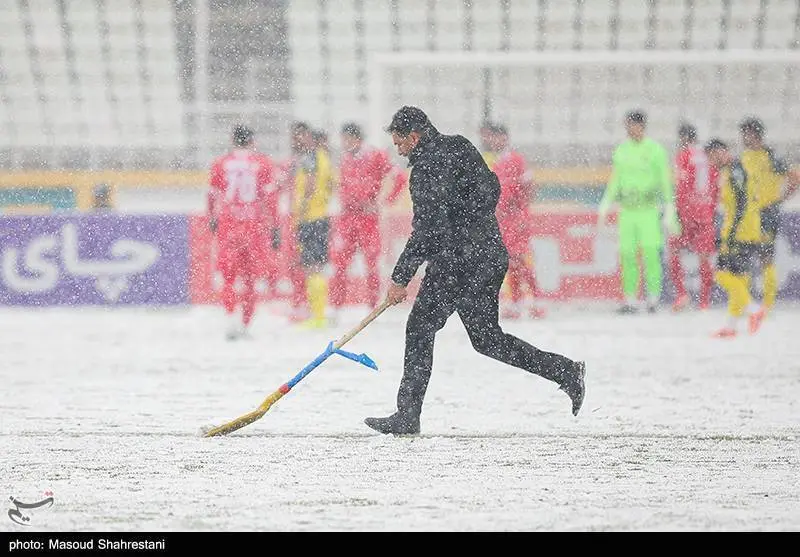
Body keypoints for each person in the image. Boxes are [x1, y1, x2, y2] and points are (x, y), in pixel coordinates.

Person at [364, 106, 586, 436]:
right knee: (487, 339)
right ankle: (565, 371)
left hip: (457, 263)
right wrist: (469, 218)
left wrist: (400, 278)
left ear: (415, 137)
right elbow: (492, 189)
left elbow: (426, 231)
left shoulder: (425, 171)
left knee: (420, 328)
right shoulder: (461, 145)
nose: (398, 149)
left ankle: (408, 415)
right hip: (489, 256)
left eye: (399, 142)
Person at [598, 110, 680, 314]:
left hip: (648, 210)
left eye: (632, 125)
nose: (629, 129)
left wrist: (670, 207)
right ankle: (630, 299)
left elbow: (664, 180)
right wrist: (606, 203)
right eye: (627, 126)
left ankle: (653, 298)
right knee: (627, 254)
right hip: (627, 210)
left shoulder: (655, 150)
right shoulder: (622, 150)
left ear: (641, 126)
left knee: (651, 253)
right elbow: (616, 179)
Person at [207, 124, 278, 340]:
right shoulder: (263, 163)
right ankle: (246, 324)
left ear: (232, 139)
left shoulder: (221, 163)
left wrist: (212, 217)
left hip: (229, 225)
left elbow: (212, 195)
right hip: (253, 227)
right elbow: (270, 198)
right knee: (249, 279)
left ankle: (231, 320)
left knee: (228, 278)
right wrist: (274, 225)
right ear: (252, 141)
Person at [329, 122, 407, 316]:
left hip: (367, 218)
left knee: (371, 263)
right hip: (347, 217)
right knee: (339, 262)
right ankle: (336, 308)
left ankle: (372, 307)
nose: (344, 143)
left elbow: (399, 176)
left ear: (356, 138)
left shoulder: (375, 155)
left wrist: (384, 201)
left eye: (347, 139)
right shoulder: (345, 158)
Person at [703, 139, 767, 338]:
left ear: (722, 152)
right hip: (747, 229)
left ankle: (754, 310)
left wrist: (731, 234)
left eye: (713, 156)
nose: (712, 162)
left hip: (739, 232)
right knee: (739, 279)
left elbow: (741, 203)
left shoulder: (735, 171)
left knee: (721, 275)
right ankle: (731, 326)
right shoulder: (735, 169)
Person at [739, 117, 800, 312]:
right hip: (748, 214)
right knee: (744, 258)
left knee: (765, 258)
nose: (743, 137)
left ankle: (768, 303)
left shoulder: (771, 157)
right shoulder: (744, 157)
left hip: (766, 213)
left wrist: (781, 198)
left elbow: (795, 177)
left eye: (746, 133)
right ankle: (746, 302)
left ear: (755, 134)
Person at [487, 123, 546, 320]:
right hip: (504, 221)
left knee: (520, 260)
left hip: (516, 220)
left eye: (497, 137)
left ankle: (536, 300)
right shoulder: (497, 162)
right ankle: (516, 302)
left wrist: (521, 210)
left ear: (505, 138)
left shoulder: (516, 159)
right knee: (509, 262)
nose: (494, 141)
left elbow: (530, 185)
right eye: (492, 138)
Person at [288, 121, 335, 329]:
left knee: (311, 268)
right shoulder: (324, 157)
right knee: (316, 267)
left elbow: (309, 184)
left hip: (310, 218)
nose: (296, 140)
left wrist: (303, 209)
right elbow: (331, 184)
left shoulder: (309, 157)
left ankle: (317, 316)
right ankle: (318, 314)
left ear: (309, 137)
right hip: (321, 216)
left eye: (299, 136)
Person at [668, 123, 720, 312]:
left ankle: (682, 294)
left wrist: (679, 212)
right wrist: (710, 210)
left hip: (688, 213)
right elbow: (716, 187)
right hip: (705, 214)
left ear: (683, 138)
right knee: (704, 258)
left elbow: (681, 186)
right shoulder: (708, 156)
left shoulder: (683, 156)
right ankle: (704, 301)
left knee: (674, 251)